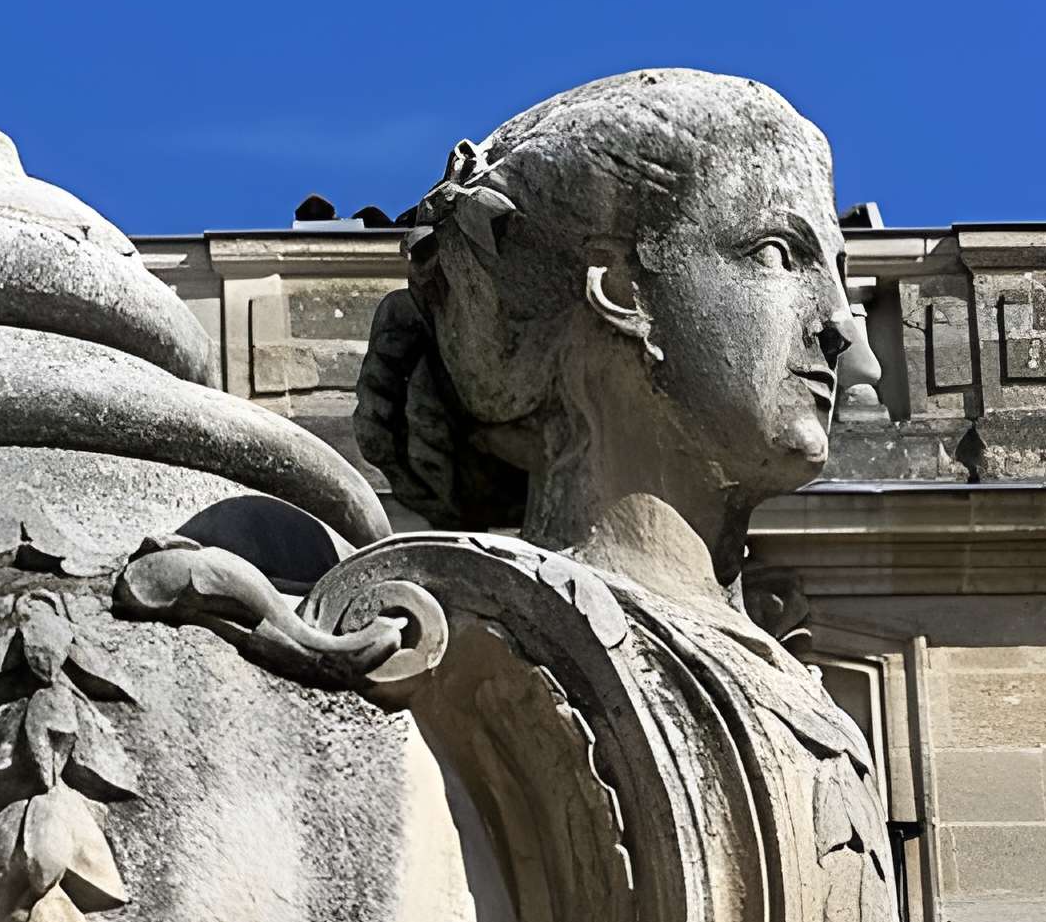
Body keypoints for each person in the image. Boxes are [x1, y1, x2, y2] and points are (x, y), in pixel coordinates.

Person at [356, 67, 857, 613]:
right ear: (620, 289)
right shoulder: (498, 651)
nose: (842, 324)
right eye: (777, 253)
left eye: (837, 269)